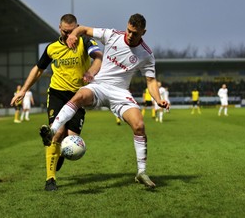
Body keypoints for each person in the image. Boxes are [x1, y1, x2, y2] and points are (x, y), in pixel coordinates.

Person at [40, 13, 170, 189]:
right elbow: (83, 29)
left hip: (120, 93)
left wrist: (159, 99)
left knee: (139, 125)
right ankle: (52, 130)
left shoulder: (146, 55)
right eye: (129, 31)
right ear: (127, 26)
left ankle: (141, 172)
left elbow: (151, 81)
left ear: (143, 32)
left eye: (135, 33)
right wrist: (73, 34)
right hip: (99, 86)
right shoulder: (112, 35)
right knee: (78, 96)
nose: (131, 35)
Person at [10, 14, 102, 191]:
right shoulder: (52, 48)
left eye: (72, 31)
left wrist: (91, 72)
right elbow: (38, 70)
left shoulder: (85, 41)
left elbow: (98, 57)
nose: (69, 36)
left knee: (71, 137)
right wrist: (23, 90)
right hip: (57, 94)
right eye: (66, 32)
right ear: (60, 29)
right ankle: (50, 179)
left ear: (78, 27)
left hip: (78, 96)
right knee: (56, 133)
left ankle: (59, 155)